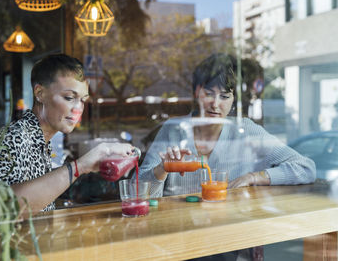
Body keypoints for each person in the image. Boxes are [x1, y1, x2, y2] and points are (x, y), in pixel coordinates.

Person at [135, 53, 316, 260]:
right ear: (197, 94)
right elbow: (138, 195)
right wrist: (163, 169)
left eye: (224, 96)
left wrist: (252, 177)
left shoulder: (246, 131)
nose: (215, 104)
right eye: (209, 94)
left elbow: (305, 168)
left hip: (229, 243)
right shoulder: (174, 130)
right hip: (179, 243)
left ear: (232, 100)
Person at [0, 54, 134, 212]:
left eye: (82, 100)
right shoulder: (13, 139)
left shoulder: (40, 140)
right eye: (69, 97)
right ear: (40, 93)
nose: (78, 108)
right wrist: (80, 166)